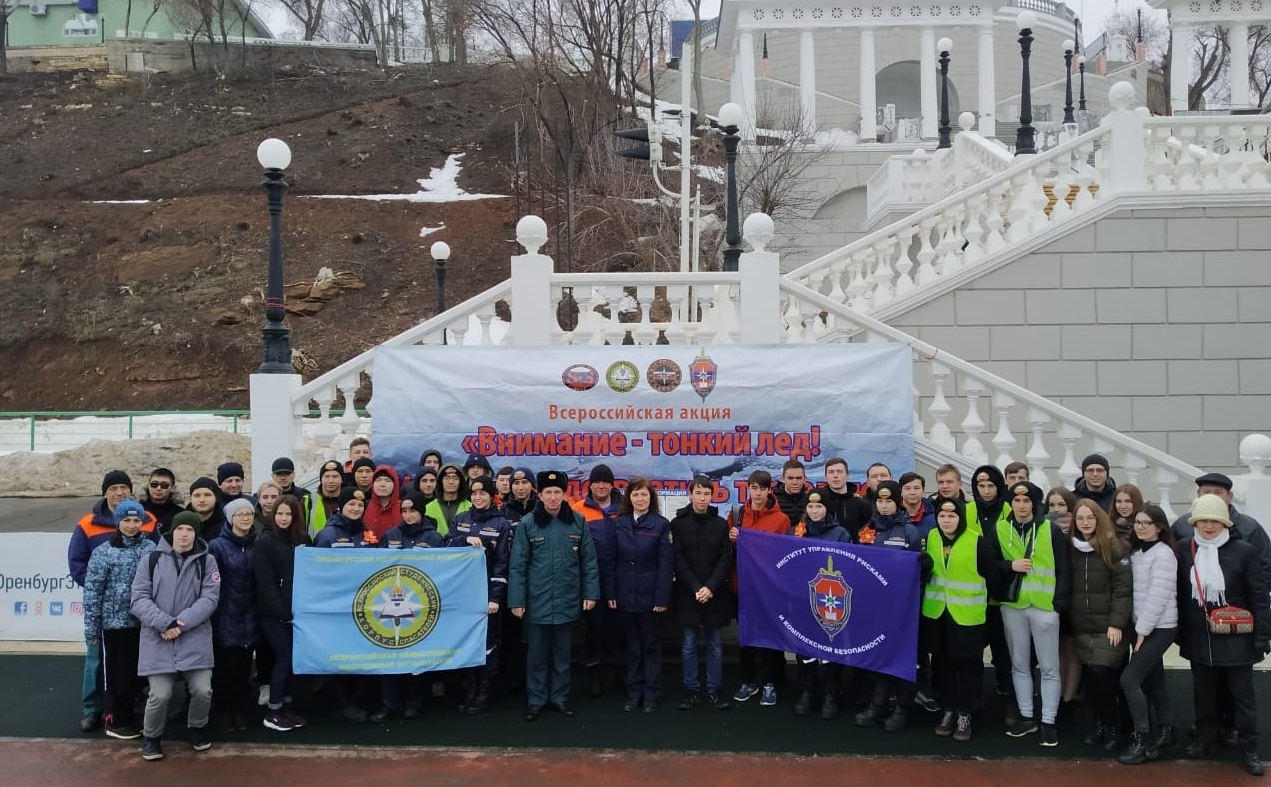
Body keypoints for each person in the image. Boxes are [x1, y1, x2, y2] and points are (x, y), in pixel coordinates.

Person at [1177, 494, 1270, 777]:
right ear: (1195, 522)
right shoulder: (1184, 548)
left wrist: (1262, 637)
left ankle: (1248, 747)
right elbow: (1180, 594)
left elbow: (1259, 596)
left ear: (1224, 522)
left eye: (1214, 521)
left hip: (1236, 634)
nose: (1208, 526)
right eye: (1203, 520)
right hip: (1199, 634)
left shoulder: (1243, 550)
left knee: (1243, 696)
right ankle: (1205, 738)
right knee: (1203, 693)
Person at [69, 470, 159, 732]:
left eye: (124, 487)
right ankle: (92, 708)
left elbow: (156, 563)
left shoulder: (148, 522)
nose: (119, 492)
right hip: (109, 616)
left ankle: (129, 706)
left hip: (139, 617)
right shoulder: (88, 524)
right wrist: (109, 591)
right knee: (98, 662)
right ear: (105, 491)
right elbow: (79, 566)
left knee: (130, 665)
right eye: (114, 488)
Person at [508, 470, 600, 721]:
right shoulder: (528, 523)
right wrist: (517, 600)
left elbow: (588, 562)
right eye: (547, 492)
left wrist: (591, 594)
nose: (552, 497)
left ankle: (559, 698)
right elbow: (518, 564)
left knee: (562, 654)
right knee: (536, 654)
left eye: (557, 492)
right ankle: (536, 700)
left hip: (567, 599)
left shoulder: (577, 522)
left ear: (564, 494)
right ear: (540, 493)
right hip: (537, 601)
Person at [130, 511, 221, 762]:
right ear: (172, 532)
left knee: (203, 690)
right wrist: (164, 623)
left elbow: (210, 598)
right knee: (159, 694)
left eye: (190, 530)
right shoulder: (150, 559)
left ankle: (197, 727)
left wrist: (180, 624)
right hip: (158, 637)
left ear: (196, 534)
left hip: (194, 636)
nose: (184, 534)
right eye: (180, 529)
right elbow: (138, 599)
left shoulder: (208, 562)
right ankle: (152, 737)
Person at [989, 481, 1071, 747]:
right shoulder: (1000, 528)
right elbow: (990, 566)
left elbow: (1064, 570)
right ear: (1010, 503)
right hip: (1013, 607)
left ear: (1035, 504)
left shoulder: (1051, 530)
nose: (1022, 506)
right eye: (1017, 501)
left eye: (1027, 501)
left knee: (1049, 668)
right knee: (1019, 665)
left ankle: (1049, 721)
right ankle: (1027, 716)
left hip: (1044, 608)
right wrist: (1010, 565)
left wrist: (1058, 606)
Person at [922, 497, 999, 743]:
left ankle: (965, 714)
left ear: (961, 517)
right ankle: (947, 711)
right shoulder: (931, 537)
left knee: (968, 667)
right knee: (942, 665)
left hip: (967, 617)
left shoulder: (977, 542)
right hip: (937, 614)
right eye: (942, 516)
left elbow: (994, 577)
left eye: (952, 516)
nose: (946, 521)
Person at [854, 481, 923, 732]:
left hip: (902, 609)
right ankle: (878, 704)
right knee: (877, 657)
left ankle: (902, 708)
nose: (884, 506)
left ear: (898, 502)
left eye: (889, 501)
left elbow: (919, 574)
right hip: (873, 608)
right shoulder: (866, 531)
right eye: (880, 501)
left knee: (902, 658)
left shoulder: (908, 533)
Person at [370, 491, 444, 723]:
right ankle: (389, 703)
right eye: (404, 510)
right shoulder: (390, 535)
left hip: (421, 605)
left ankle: (414, 700)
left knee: (416, 654)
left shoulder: (434, 538)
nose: (408, 515)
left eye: (413, 510)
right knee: (388, 653)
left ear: (421, 511)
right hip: (389, 604)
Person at [1067, 498, 1132, 752]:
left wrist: (1117, 623)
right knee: (1092, 679)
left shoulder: (1114, 546)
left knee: (1101, 673)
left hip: (1109, 627)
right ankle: (1099, 724)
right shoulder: (1069, 547)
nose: (1085, 523)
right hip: (1082, 627)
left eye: (1090, 518)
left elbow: (1123, 590)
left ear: (1099, 519)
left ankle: (1112, 725)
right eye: (1080, 518)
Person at [1117, 504, 1178, 764]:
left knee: (1130, 679)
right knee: (1155, 680)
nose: (1140, 527)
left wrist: (1141, 631)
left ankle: (1141, 738)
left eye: (1146, 523)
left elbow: (1158, 597)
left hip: (1160, 627)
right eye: (1138, 523)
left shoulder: (1163, 555)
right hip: (1142, 626)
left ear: (1160, 527)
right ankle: (1166, 730)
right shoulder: (1139, 552)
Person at [444, 478, 511, 716]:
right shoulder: (461, 520)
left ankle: (484, 690)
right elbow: (446, 546)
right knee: (466, 641)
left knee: (488, 643)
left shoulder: (501, 523)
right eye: (475, 494)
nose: (478, 498)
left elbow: (503, 564)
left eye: (483, 494)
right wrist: (463, 540)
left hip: (486, 595)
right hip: (462, 596)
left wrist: (496, 598)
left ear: (491, 496)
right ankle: (469, 688)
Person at [608, 477, 673, 714]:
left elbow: (666, 565)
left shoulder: (661, 525)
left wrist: (661, 598)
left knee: (651, 646)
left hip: (650, 596)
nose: (640, 499)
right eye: (636, 495)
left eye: (644, 495)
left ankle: (651, 693)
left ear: (651, 498)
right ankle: (634, 692)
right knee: (632, 646)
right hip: (625, 593)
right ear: (629, 498)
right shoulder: (619, 523)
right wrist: (612, 591)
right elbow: (611, 560)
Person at [728, 469, 792, 707]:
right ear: (748, 488)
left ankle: (769, 683)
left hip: (768, 589)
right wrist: (732, 538)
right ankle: (748, 680)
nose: (757, 493)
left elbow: (785, 556)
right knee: (746, 638)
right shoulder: (737, 514)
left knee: (769, 638)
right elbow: (728, 547)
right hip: (742, 587)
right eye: (753, 488)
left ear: (769, 490)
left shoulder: (781, 519)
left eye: (761, 488)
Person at [672, 477, 734, 712]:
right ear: (690, 494)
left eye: (706, 494)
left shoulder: (720, 524)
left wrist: (710, 587)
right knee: (688, 644)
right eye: (698, 493)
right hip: (689, 593)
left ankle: (714, 689)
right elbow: (678, 559)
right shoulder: (677, 524)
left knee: (715, 644)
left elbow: (725, 559)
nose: (702, 498)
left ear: (712, 496)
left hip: (714, 593)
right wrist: (696, 587)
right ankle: (691, 690)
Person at [792, 491, 852, 721]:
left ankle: (830, 694)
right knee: (805, 648)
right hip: (802, 600)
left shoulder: (841, 534)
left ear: (827, 508)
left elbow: (850, 567)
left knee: (830, 649)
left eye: (819, 507)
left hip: (831, 603)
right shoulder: (797, 532)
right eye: (810, 507)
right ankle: (808, 691)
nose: (814, 511)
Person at [253, 494, 309, 733]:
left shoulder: (303, 540)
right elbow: (265, 583)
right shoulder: (265, 542)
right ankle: (273, 711)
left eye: (288, 514)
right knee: (284, 658)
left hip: (298, 611)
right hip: (273, 614)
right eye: (280, 514)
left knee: (291, 661)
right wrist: (282, 612)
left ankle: (287, 706)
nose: (284, 518)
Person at [208, 498, 260, 734]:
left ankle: (239, 710)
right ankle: (222, 711)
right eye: (240, 514)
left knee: (243, 667)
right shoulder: (217, 546)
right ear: (230, 519)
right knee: (224, 668)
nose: (245, 518)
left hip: (250, 614)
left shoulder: (258, 543)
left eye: (248, 514)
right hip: (225, 615)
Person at [572, 464, 625, 697]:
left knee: (618, 629)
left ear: (612, 485)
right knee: (593, 629)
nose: (601, 486)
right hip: (590, 580)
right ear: (590, 485)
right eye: (597, 482)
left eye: (605, 482)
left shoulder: (624, 509)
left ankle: (618, 675)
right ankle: (594, 676)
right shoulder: (577, 510)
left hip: (620, 580)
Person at [967, 464, 1013, 698]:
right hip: (974, 594)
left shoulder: (1011, 510)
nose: (986, 490)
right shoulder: (966, 511)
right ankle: (972, 697)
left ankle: (1006, 691)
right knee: (973, 650)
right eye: (980, 485)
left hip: (1004, 592)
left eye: (991, 485)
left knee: (1003, 649)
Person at [1046, 487, 1082, 707]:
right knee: (1057, 650)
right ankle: (1057, 696)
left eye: (1061, 504)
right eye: (1051, 505)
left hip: (1076, 597)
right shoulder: (1044, 530)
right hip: (1052, 596)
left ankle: (1070, 696)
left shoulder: (1080, 529)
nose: (1056, 509)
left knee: (1072, 649)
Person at [818, 457, 872, 540]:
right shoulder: (819, 504)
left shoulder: (862, 505)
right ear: (826, 477)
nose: (835, 476)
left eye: (839, 472)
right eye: (831, 472)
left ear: (847, 476)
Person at [313, 487, 377, 549]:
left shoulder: (368, 535)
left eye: (360, 505)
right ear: (342, 506)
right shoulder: (327, 535)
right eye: (351, 504)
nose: (356, 509)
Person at [425, 463, 471, 537]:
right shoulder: (428, 508)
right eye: (447, 478)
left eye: (455, 478)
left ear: (461, 482)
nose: (451, 482)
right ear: (440, 481)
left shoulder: (470, 507)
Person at [307, 460, 346, 536]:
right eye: (327, 476)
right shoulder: (308, 501)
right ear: (321, 480)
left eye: (335, 476)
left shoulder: (350, 500)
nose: (330, 481)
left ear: (342, 479)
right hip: (315, 546)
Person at [362, 465, 402, 538]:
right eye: (378, 480)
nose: (382, 485)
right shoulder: (363, 507)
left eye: (387, 480)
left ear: (395, 484)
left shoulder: (404, 508)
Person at [186, 477, 227, 542]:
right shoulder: (182, 523)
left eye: (207, 495)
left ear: (216, 498)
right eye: (197, 495)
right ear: (190, 498)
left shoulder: (227, 526)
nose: (202, 500)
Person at [773, 460, 811, 530]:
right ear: (783, 479)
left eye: (798, 478)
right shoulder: (772, 501)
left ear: (805, 479)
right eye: (790, 478)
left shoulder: (810, 500)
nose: (795, 482)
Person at [898, 472, 936, 538]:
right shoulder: (893, 515)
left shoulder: (935, 516)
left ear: (923, 491)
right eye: (907, 488)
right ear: (901, 491)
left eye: (917, 488)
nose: (912, 492)